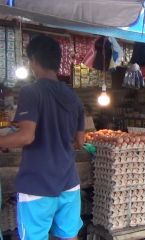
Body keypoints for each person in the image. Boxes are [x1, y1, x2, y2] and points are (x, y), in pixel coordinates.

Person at [0, 35, 84, 240]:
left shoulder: (31, 91)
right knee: (69, 235)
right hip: (69, 181)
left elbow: (26, 136)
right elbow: (80, 141)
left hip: (38, 183)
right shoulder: (73, 97)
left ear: (34, 61)